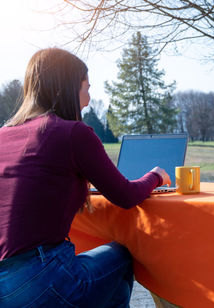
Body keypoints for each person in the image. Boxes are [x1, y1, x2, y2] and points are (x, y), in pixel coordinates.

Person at [0, 48, 171, 307]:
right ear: (64, 88)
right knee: (120, 257)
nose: (89, 100)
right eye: (86, 88)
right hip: (38, 280)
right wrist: (156, 176)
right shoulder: (72, 133)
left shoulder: (4, 134)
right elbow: (125, 196)